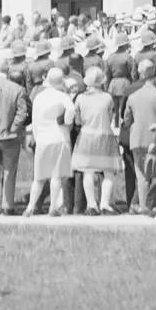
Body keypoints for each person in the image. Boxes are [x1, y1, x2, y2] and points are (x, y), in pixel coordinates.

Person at [25, 68, 74, 216]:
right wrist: (66, 121)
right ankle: (53, 206)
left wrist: (37, 136)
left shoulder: (39, 97)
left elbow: (34, 120)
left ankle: (30, 207)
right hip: (59, 136)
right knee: (56, 175)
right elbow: (71, 109)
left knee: (38, 178)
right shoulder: (62, 96)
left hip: (42, 138)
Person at [71, 67, 120, 214]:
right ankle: (105, 204)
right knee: (108, 172)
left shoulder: (80, 98)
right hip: (105, 134)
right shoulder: (107, 98)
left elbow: (77, 120)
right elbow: (110, 117)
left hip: (86, 136)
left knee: (87, 172)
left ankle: (91, 205)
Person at [123, 62, 156, 214]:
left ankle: (144, 206)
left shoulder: (133, 97)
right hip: (154, 139)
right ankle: (154, 203)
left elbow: (127, 120)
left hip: (137, 139)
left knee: (141, 177)